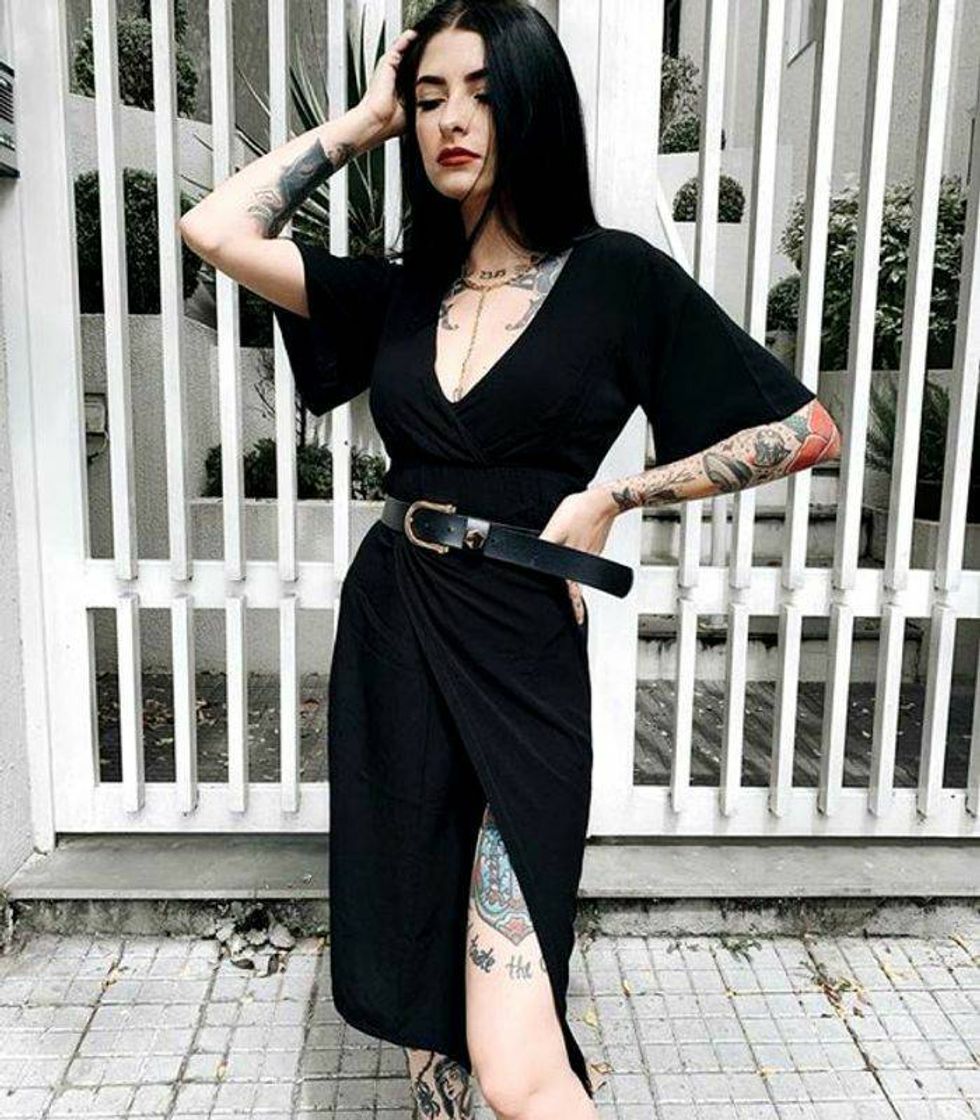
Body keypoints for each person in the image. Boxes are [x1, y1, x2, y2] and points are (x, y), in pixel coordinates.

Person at [179, 2, 842, 1116]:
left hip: (520, 648)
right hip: (394, 630)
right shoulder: (400, 292)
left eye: (482, 94)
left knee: (516, 1063)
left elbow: (805, 428)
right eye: (431, 98)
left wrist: (619, 494)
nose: (451, 120)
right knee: (424, 1007)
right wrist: (363, 121)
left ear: (533, 105)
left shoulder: (615, 277)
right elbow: (214, 229)